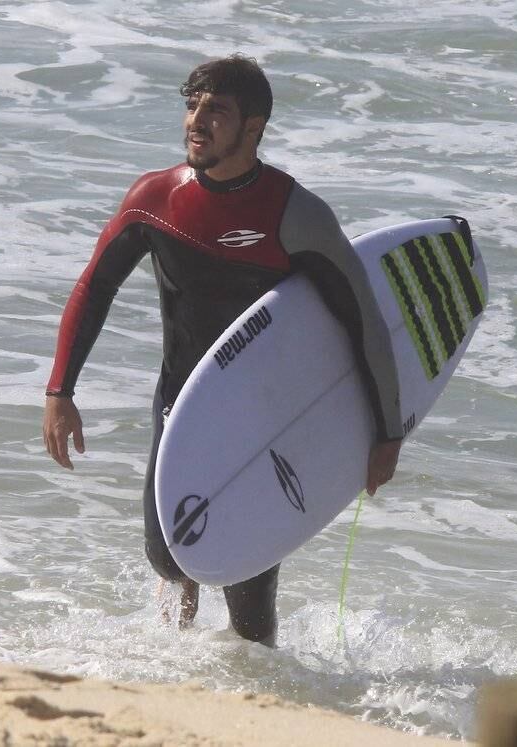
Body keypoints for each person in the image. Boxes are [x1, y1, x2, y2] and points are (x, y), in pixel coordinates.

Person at [41, 55, 404, 647]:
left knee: (249, 596)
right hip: (180, 403)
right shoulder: (155, 198)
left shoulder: (295, 215)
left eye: (216, 111)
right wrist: (60, 391)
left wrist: (386, 434)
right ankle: (170, 663)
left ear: (253, 127)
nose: (196, 121)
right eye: (192, 106)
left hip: (263, 422)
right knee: (168, 555)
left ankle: (258, 685)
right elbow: (94, 287)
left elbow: (362, 322)